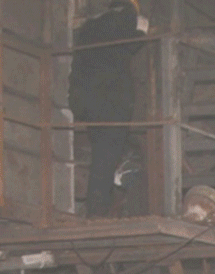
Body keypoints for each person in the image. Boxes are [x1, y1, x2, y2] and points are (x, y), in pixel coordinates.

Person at [70, 0, 145, 216]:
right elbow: (128, 45)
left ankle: (98, 208)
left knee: (102, 155)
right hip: (112, 104)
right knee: (105, 158)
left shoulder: (90, 27)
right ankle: (97, 213)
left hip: (90, 103)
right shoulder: (125, 16)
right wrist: (142, 30)